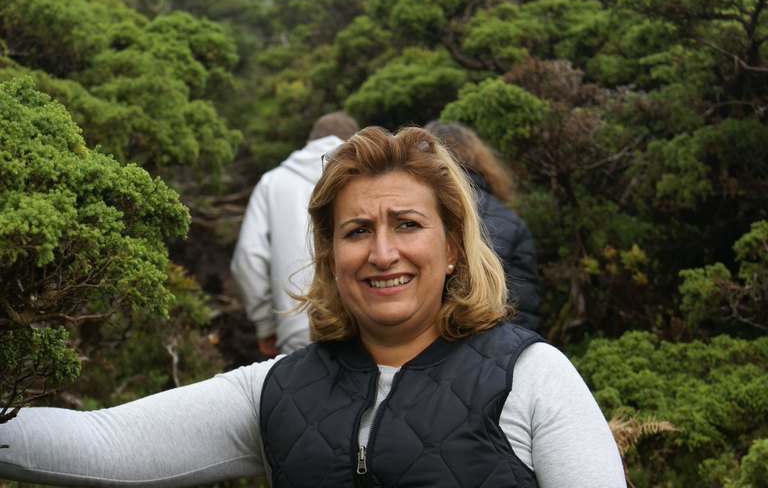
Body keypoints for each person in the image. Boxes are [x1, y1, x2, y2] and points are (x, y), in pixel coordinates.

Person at [0, 126, 626, 487]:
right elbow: (100, 444)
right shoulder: (276, 390)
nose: (383, 253)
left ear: (456, 248)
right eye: (356, 232)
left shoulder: (534, 376)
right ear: (329, 258)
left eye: (407, 224)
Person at [230, 111, 359, 356]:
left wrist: (264, 325)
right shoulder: (363, 177)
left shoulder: (272, 182)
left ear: (308, 144)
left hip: (296, 327)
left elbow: (248, 257)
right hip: (361, 321)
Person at [424, 120, 542, 331]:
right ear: (479, 160)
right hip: (492, 347)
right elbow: (524, 312)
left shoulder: (414, 210)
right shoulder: (513, 224)